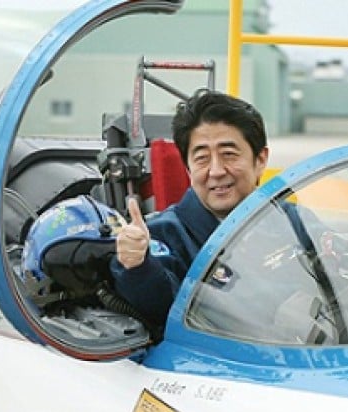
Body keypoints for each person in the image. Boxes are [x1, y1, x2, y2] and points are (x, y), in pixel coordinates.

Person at [111, 89, 269, 333]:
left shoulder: (290, 221)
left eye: (229, 154)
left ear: (260, 160)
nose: (216, 171)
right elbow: (162, 304)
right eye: (202, 158)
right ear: (188, 169)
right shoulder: (163, 234)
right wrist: (137, 265)